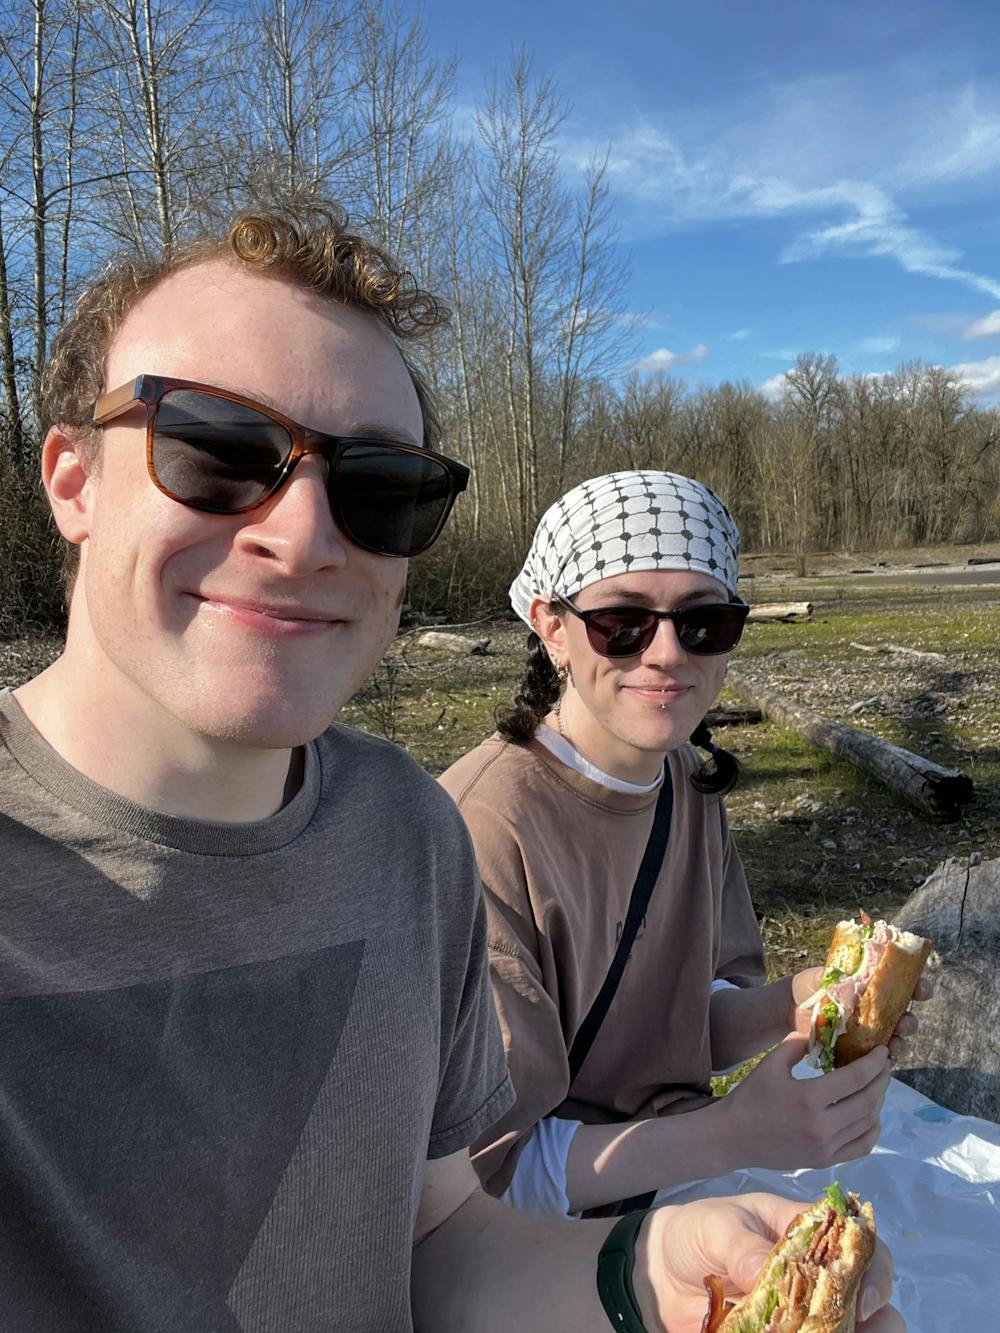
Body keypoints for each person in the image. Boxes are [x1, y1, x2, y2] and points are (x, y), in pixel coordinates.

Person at [0, 205, 902, 1332]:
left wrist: (648, 1277)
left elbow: (438, 1238)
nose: (304, 535)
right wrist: (725, 1136)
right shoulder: (473, 821)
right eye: (217, 452)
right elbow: (513, 1165)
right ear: (72, 480)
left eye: (379, 487)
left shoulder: (401, 832)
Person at [440, 471, 927, 1220]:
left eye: (704, 622)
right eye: (622, 621)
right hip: (553, 1242)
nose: (668, 653)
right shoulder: (477, 834)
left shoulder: (684, 779)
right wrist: (734, 1135)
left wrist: (799, 1003)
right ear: (551, 626)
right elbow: (490, 1177)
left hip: (683, 1180)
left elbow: (684, 1023)